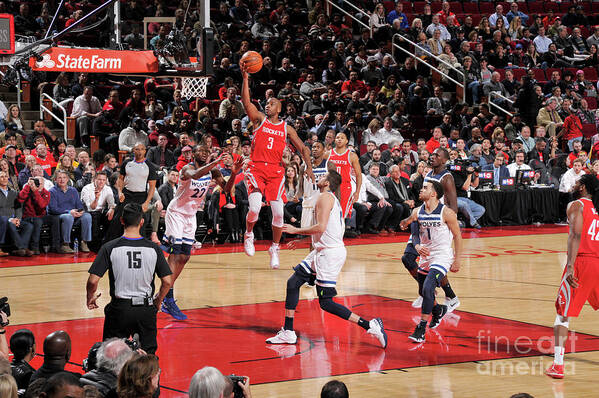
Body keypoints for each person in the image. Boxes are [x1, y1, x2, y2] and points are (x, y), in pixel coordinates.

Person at [265, 170, 388, 348]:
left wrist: (296, 230)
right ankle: (288, 331)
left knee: (326, 303)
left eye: (323, 176)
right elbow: (329, 230)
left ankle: (370, 326)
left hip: (329, 254)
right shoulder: (328, 198)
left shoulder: (325, 198)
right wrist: (303, 241)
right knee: (293, 283)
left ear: (328, 183)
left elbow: (321, 227)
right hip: (322, 250)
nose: (319, 177)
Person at [240, 61, 314, 269]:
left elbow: (303, 148)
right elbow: (246, 103)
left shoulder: (286, 128)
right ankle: (248, 234)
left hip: (275, 171)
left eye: (271, 103)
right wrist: (245, 78)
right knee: (254, 208)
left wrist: (308, 167)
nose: (267, 105)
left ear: (279, 108)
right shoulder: (259, 120)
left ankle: (274, 247)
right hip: (256, 167)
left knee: (280, 214)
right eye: (266, 103)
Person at [161, 146, 243, 320]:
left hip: (190, 216)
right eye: (201, 150)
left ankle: (166, 292)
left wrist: (234, 173)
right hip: (176, 213)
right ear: (193, 154)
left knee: (185, 256)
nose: (204, 152)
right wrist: (216, 161)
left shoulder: (213, 171)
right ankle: (167, 297)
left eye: (207, 151)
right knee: (175, 254)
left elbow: (227, 190)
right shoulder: (187, 168)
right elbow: (196, 175)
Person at [86, 203, 173, 354]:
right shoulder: (154, 249)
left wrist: (90, 297)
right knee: (148, 359)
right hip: (145, 309)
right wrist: (157, 301)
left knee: (112, 358)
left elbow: (93, 281)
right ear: (142, 222)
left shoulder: (110, 247)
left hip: (120, 308)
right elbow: (167, 281)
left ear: (121, 221)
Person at [546, 174, 599, 379]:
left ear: (583, 187)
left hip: (582, 262)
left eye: (577, 182)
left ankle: (558, 365)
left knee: (562, 314)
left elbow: (575, 235)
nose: (574, 184)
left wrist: (569, 267)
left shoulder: (577, 205)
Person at [400, 180, 462, 343]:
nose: (421, 190)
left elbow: (457, 236)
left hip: (442, 255)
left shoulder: (447, 213)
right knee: (423, 291)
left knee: (428, 287)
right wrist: (406, 225)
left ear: (434, 194)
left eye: (425, 188)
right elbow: (411, 227)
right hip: (426, 256)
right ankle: (438, 310)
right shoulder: (417, 211)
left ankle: (421, 328)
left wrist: (457, 260)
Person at [105, 143, 158, 242]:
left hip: (141, 195)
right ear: (133, 150)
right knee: (117, 220)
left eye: (142, 149)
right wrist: (120, 192)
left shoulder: (149, 166)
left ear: (145, 151)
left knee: (140, 222)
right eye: (137, 149)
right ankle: (110, 244)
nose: (140, 151)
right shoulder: (126, 163)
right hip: (127, 194)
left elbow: (152, 187)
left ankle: (140, 244)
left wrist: (147, 202)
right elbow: (120, 179)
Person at [48, 170, 92, 253]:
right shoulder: (52, 191)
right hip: (60, 215)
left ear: (68, 179)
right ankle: (65, 244)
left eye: (64, 177)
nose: (62, 180)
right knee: (68, 217)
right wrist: (69, 212)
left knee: (87, 216)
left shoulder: (73, 190)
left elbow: (79, 205)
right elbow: (53, 209)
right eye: (59, 178)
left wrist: (81, 211)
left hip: (74, 214)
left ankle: (84, 242)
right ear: (55, 180)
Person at [325, 131, 362, 220]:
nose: (339, 139)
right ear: (334, 140)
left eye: (342, 138)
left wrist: (357, 192)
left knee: (341, 214)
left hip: (345, 187)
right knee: (328, 212)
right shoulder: (327, 154)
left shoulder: (352, 155)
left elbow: (358, 175)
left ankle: (340, 233)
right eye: (337, 138)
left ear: (346, 141)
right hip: (330, 186)